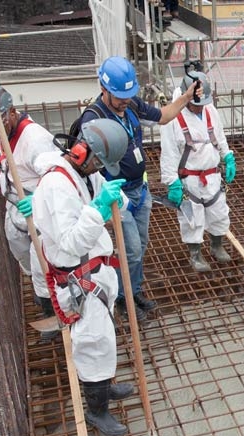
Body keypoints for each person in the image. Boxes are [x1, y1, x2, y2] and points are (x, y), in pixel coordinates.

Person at [71, 56, 202, 319]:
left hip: (139, 190)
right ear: (103, 88)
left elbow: (164, 116)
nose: (124, 100)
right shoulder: (93, 119)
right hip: (115, 193)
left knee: (139, 246)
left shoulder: (132, 105)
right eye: (119, 95)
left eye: (128, 95)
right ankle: (122, 297)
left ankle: (134, 290)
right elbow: (81, 163)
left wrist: (187, 97)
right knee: (129, 248)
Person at [31, 119, 137, 436]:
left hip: (95, 272)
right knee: (93, 342)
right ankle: (97, 409)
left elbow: (110, 197)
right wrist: (99, 211)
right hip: (78, 281)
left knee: (104, 338)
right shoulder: (56, 186)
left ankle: (103, 386)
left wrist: (117, 201)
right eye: (98, 163)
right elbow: (69, 242)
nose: (99, 170)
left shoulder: (82, 174)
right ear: (81, 150)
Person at [0, 83, 57, 325]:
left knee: (44, 266)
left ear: (12, 111)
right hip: (15, 207)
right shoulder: (3, 130)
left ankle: (53, 315)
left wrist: (39, 199)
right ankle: (43, 299)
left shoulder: (36, 140)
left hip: (39, 212)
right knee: (24, 259)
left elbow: (57, 175)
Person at [159, 71, 236, 272]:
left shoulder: (209, 109)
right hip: (189, 177)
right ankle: (195, 254)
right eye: (195, 103)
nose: (199, 107)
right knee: (192, 218)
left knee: (219, 213)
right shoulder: (173, 116)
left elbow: (219, 136)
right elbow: (168, 152)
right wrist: (172, 182)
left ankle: (216, 245)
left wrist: (227, 156)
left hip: (212, 174)